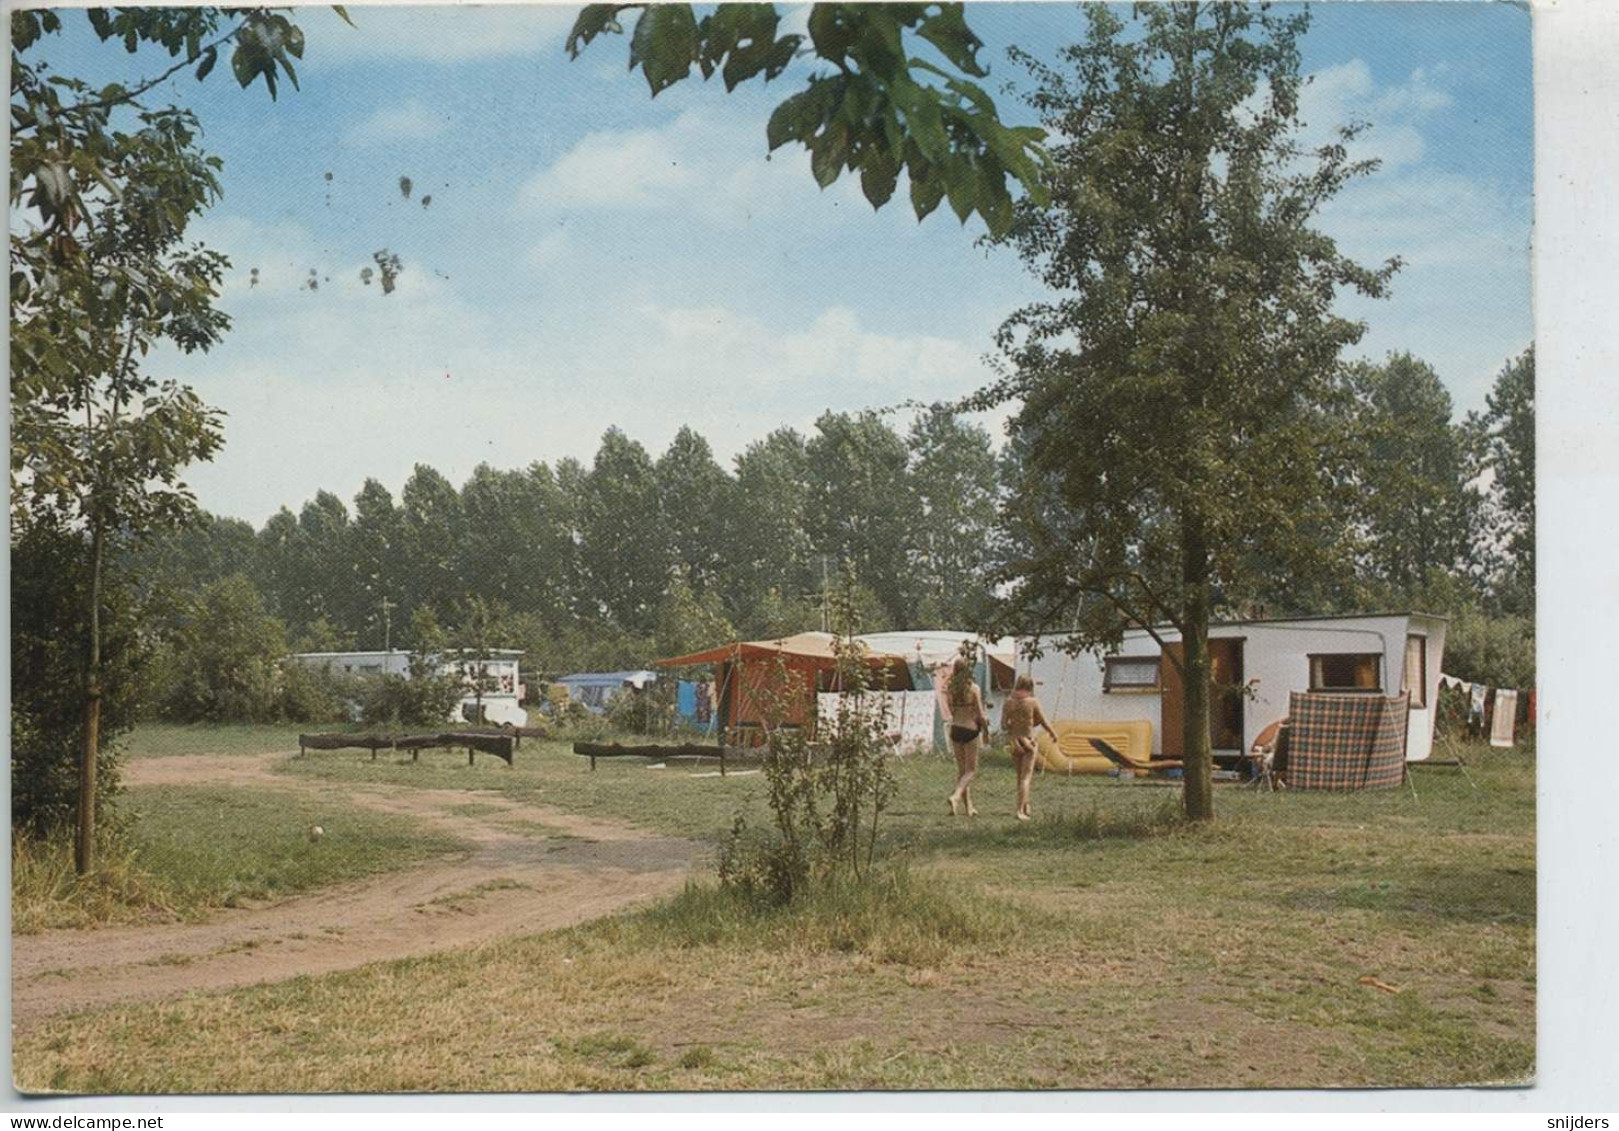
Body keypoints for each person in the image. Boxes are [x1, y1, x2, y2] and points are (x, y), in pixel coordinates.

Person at [1002, 674, 1057, 821]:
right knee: (1026, 778)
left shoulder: (1008, 703)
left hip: (1015, 742)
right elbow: (1044, 721)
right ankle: (1020, 810)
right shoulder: (1033, 702)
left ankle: (1025, 805)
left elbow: (1003, 725)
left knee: (1019, 777)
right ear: (1030, 687)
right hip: (1028, 741)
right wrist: (1053, 734)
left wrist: (1014, 727)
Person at [945, 657, 989, 817]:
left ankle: (968, 807)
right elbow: (980, 714)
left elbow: (951, 711)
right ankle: (955, 796)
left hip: (955, 729)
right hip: (970, 729)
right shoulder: (973, 688)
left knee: (962, 771)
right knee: (970, 771)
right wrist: (986, 732)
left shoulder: (950, 689)